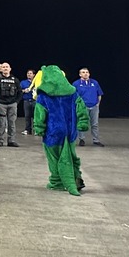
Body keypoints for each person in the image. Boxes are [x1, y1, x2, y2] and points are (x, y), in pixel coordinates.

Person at [33, 65, 89, 197]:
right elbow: (81, 108)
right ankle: (76, 179)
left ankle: (57, 182)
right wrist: (83, 123)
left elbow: (40, 114)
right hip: (70, 132)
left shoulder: (43, 95)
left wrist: (39, 128)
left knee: (54, 157)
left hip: (53, 133)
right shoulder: (72, 92)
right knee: (71, 156)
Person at [0, 62, 22, 148]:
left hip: (12, 104)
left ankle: (11, 140)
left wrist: (16, 102)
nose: (5, 68)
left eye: (7, 67)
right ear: (1, 69)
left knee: (12, 123)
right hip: (1, 104)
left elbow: (20, 92)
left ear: (10, 69)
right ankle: (0, 140)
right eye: (3, 67)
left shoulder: (15, 79)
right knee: (1, 123)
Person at [73, 68, 103, 146]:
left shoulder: (94, 83)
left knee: (95, 124)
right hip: (83, 107)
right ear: (80, 74)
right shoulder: (76, 84)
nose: (85, 73)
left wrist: (97, 104)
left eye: (87, 72)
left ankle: (96, 140)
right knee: (82, 123)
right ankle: (81, 139)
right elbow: (73, 96)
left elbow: (99, 94)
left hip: (94, 106)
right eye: (83, 72)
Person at [20, 69, 36, 135]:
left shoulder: (36, 82)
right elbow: (19, 90)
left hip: (35, 101)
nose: (29, 75)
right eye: (28, 73)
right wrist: (24, 91)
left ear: (34, 75)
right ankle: (27, 129)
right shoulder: (23, 82)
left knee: (36, 116)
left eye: (30, 73)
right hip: (26, 100)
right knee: (27, 116)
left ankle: (36, 130)